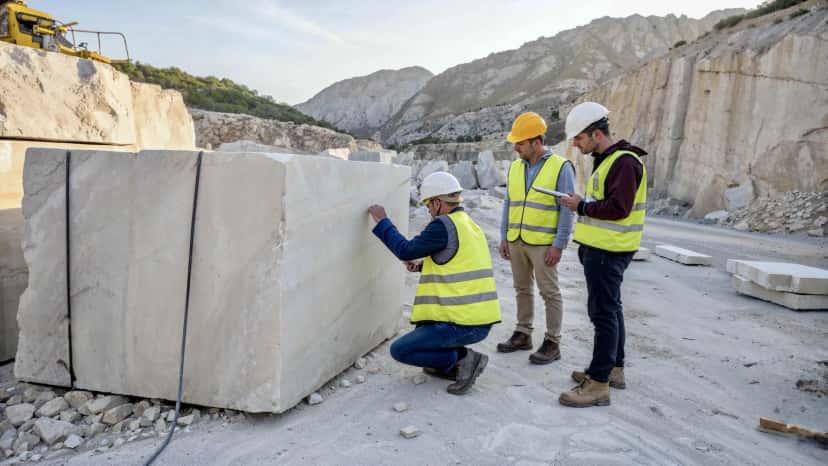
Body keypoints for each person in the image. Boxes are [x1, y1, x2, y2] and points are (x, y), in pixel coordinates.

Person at [367, 172, 501, 395]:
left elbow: (405, 249)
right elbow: (458, 262)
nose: (428, 210)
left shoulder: (442, 226)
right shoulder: (467, 224)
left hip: (462, 323)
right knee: (423, 339)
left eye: (428, 205)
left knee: (401, 350)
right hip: (478, 319)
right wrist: (421, 266)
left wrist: (383, 221)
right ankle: (454, 363)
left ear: (438, 203)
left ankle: (465, 359)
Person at [557, 102, 648, 408]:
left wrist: (580, 207)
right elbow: (607, 202)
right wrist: (585, 203)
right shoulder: (609, 160)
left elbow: (618, 209)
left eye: (579, 138)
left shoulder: (623, 162)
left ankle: (598, 384)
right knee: (611, 310)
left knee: (603, 314)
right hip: (603, 249)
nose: (575, 144)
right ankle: (613, 369)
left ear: (596, 134)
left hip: (608, 251)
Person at [495, 112, 576, 365]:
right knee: (521, 288)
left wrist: (559, 245)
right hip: (516, 239)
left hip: (543, 244)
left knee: (549, 292)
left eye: (520, 142)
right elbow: (509, 203)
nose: (515, 147)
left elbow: (567, 210)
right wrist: (504, 237)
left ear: (536, 142)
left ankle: (553, 342)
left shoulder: (561, 167)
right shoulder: (516, 166)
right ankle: (523, 333)